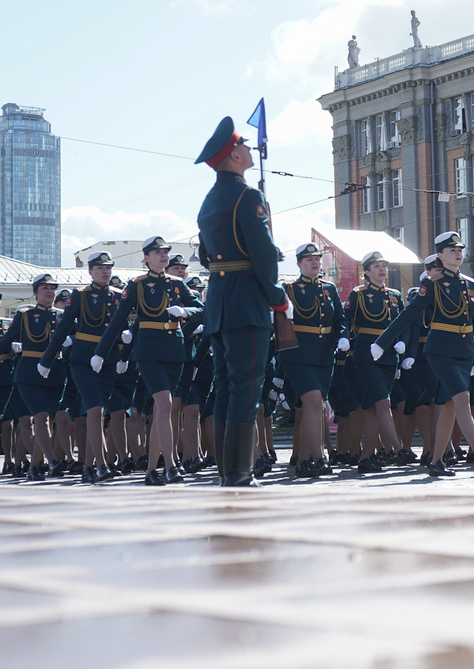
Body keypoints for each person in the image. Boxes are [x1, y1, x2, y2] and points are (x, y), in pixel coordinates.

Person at [195, 116, 289, 486]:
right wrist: (278, 297)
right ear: (233, 155)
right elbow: (263, 255)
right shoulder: (248, 196)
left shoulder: (209, 201)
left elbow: (205, 255)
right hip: (247, 301)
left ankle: (227, 471)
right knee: (247, 390)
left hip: (219, 301)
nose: (250, 150)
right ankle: (238, 472)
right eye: (244, 146)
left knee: (226, 389)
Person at [372, 232, 474, 476]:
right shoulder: (432, 283)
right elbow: (408, 315)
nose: (458, 253)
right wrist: (382, 341)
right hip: (440, 351)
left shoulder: (470, 284)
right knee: (462, 398)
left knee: (448, 404)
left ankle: (436, 462)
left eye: (459, 249)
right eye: (451, 250)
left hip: (464, 352)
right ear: (440, 256)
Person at [94, 237, 204, 485]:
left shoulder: (177, 284)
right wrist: (101, 352)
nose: (163, 256)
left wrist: (187, 312)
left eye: (165, 252)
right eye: (157, 253)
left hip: (175, 352)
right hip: (149, 352)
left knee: (160, 412)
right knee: (164, 406)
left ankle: (152, 470)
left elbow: (202, 308)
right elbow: (119, 319)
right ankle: (171, 466)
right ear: (146, 257)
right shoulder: (137, 285)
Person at [39, 252, 123, 483]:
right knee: (94, 410)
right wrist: (46, 360)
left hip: (107, 360)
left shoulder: (118, 296)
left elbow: (123, 326)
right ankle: (102, 465)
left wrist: (126, 344)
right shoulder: (80, 295)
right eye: (99, 268)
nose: (105, 272)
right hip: (83, 360)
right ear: (90, 271)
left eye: (108, 268)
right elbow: (65, 326)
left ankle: (88, 467)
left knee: (100, 412)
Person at [280, 243, 349, 478]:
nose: (314, 263)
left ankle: (303, 460)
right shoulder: (288, 289)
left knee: (315, 406)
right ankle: (319, 458)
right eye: (309, 260)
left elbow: (340, 319)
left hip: (323, 355)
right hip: (298, 354)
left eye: (317, 259)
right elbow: (279, 322)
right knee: (312, 403)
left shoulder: (329, 289)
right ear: (299, 264)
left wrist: (343, 337)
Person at [344, 250, 414, 473]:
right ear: (366, 272)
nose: (382, 269)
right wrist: (346, 340)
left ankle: (366, 458)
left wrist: (402, 343)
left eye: (384, 265)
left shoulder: (394, 295)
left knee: (375, 407)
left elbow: (404, 323)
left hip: (389, 357)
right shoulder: (359, 294)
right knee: (383, 403)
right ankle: (398, 449)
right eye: (376, 266)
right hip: (366, 356)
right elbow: (347, 322)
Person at [0, 274, 66, 479]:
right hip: (29, 372)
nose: (49, 292)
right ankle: (52, 461)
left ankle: (34, 467)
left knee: (48, 421)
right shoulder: (26, 315)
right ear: (36, 293)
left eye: (52, 288)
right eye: (44, 288)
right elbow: (8, 339)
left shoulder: (62, 316)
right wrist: (8, 350)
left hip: (55, 372)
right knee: (40, 417)